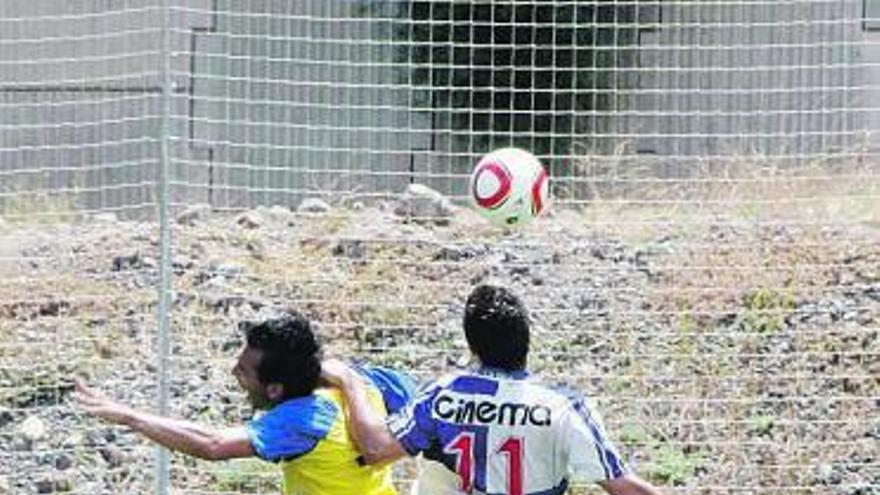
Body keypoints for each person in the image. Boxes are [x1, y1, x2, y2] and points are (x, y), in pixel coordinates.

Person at [322, 284, 664, 495]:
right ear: (528, 339)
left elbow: (376, 450)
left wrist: (350, 381)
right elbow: (624, 488)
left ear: (472, 347)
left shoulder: (444, 395)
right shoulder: (563, 408)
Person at [75, 312, 415, 495]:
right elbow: (425, 411)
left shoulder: (302, 420)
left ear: (274, 389)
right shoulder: (363, 380)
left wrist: (129, 416)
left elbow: (212, 444)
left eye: (243, 372)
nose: (234, 372)